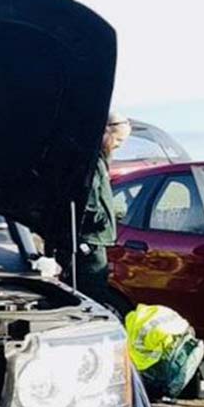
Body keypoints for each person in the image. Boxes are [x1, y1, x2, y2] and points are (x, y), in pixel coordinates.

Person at [76, 113, 132, 316]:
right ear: (105, 131)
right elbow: (89, 198)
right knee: (93, 291)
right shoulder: (93, 163)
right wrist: (101, 221)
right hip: (91, 240)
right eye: (117, 140)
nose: (119, 146)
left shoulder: (99, 161)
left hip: (97, 238)